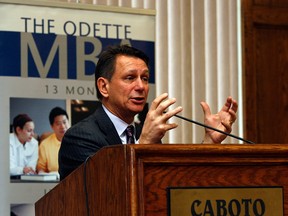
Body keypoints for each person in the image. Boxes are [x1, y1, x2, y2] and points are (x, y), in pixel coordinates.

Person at [58, 45, 238, 180]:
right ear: (104, 87)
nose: (141, 87)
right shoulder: (80, 138)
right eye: (130, 78)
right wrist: (144, 144)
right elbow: (105, 191)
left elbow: (177, 181)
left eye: (144, 78)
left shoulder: (138, 133)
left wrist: (209, 142)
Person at [37, 107, 70, 175]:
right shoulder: (45, 145)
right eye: (58, 124)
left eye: (64, 122)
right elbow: (41, 169)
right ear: (52, 126)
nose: (63, 126)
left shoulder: (77, 141)